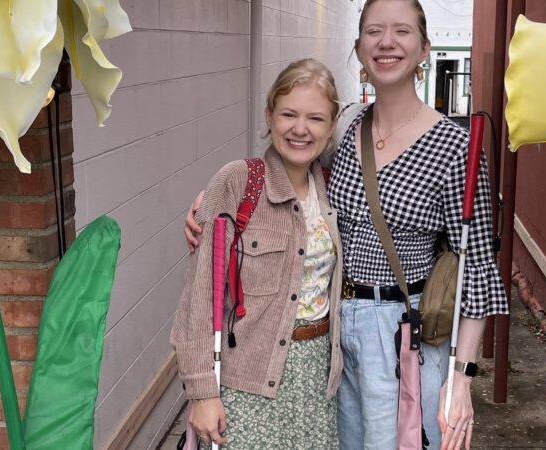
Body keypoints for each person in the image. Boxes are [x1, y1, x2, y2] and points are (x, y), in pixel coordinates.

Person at [186, 2, 508, 449]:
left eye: (402, 31)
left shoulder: (454, 147)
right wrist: (212, 206)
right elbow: (291, 177)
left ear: (424, 49)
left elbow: (476, 270)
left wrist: (462, 378)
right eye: (374, 31)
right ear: (358, 47)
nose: (387, 42)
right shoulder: (347, 125)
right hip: (333, 335)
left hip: (398, 333)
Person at [171, 58, 343, 449]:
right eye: (288, 114)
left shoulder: (334, 188)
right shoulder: (236, 182)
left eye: (315, 118)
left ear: (332, 126)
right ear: (269, 115)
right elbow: (199, 300)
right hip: (245, 384)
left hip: (317, 380)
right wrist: (202, 393)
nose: (301, 129)